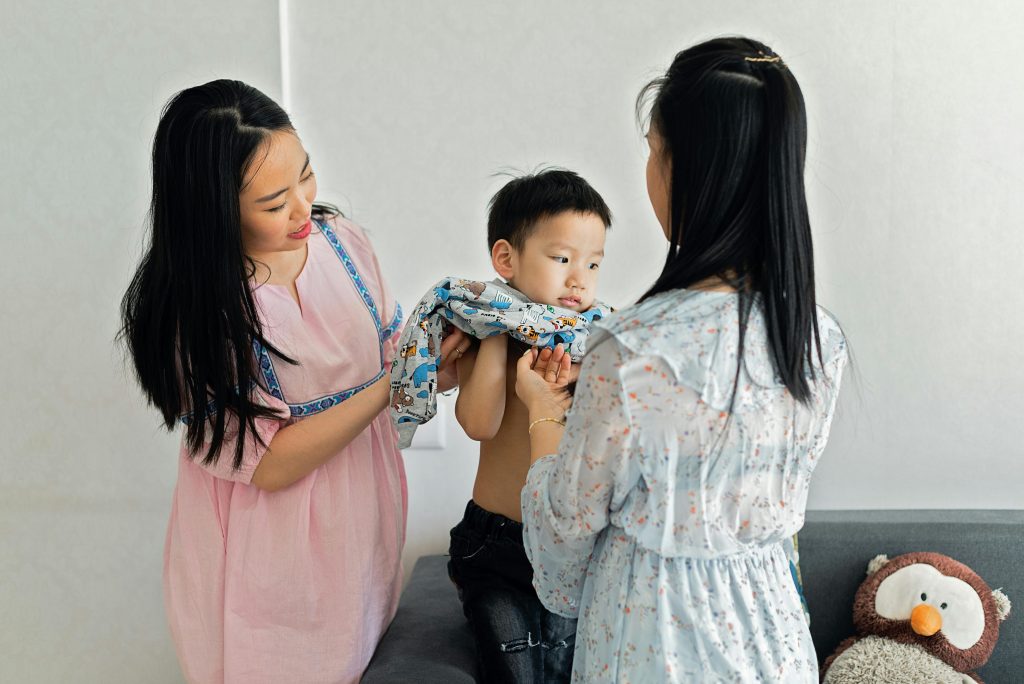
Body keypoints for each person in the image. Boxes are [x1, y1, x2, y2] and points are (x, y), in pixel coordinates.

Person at [514, 38, 850, 682]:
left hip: (653, 641)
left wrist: (540, 417)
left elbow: (564, 538)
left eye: (652, 150)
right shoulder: (815, 338)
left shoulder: (632, 348)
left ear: (686, 166)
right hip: (775, 639)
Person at [119, 79, 465, 683]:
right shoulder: (202, 313)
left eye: (306, 175)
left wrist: (441, 363)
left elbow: (388, 358)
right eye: (275, 203)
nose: (305, 208)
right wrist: (392, 381)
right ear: (214, 209)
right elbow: (270, 463)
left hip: (362, 512)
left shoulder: (344, 243)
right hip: (271, 548)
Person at [447, 170, 612, 683]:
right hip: (494, 546)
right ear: (506, 260)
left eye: (592, 263)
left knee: (566, 668)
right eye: (562, 259)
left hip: (566, 544)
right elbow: (478, 423)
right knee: (513, 671)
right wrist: (499, 335)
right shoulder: (485, 338)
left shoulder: (592, 347)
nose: (578, 277)